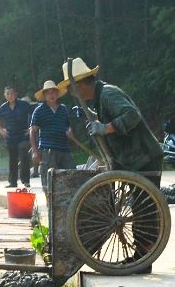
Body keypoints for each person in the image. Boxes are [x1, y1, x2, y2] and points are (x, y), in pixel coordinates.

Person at [60, 56, 163, 187]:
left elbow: (132, 115)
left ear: (80, 86)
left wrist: (105, 128)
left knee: (145, 206)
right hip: (134, 159)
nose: (72, 94)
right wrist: (95, 117)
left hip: (144, 157)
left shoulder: (107, 94)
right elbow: (112, 115)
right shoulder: (100, 97)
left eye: (71, 90)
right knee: (141, 205)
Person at [29, 79, 79, 190]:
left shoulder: (63, 109)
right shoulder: (39, 111)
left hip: (64, 148)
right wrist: (35, 151)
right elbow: (33, 132)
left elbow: (68, 126)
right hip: (48, 150)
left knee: (73, 176)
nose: (52, 95)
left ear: (57, 94)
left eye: (53, 92)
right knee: (49, 181)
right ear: (45, 95)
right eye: (48, 92)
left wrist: (70, 132)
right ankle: (51, 204)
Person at [0, 87, 33, 188]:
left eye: (12, 93)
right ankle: (13, 182)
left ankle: (26, 180)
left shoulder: (23, 104)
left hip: (23, 135)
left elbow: (34, 113)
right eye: (8, 94)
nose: (10, 96)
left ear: (16, 94)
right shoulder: (4, 107)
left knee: (24, 156)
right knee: (13, 159)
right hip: (10, 136)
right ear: (5, 96)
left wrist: (31, 127)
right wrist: (1, 130)